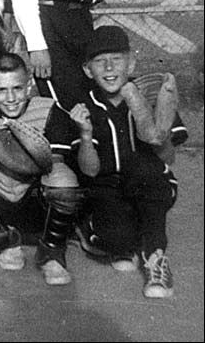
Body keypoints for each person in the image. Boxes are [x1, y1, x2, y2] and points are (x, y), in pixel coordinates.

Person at [73, 25, 187, 298]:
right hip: (107, 188)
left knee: (144, 165)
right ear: (88, 70)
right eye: (100, 61)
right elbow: (89, 171)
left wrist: (159, 136)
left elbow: (168, 159)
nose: (109, 67)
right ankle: (91, 228)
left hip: (150, 184)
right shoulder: (83, 104)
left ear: (131, 62)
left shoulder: (148, 92)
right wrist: (85, 135)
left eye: (117, 59)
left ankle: (155, 257)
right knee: (117, 244)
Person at [0, 53, 88, 286]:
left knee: (63, 179)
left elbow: (54, 166)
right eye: (1, 90)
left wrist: (20, 155)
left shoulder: (48, 111)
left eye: (17, 88)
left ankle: (52, 251)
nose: (10, 98)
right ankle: (11, 238)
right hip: (1, 200)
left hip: (34, 200)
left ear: (29, 86)